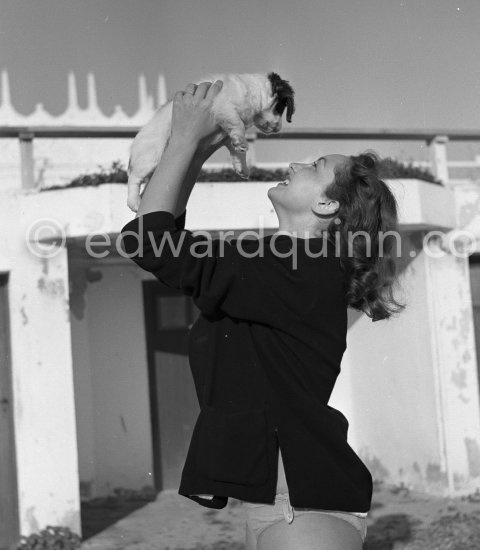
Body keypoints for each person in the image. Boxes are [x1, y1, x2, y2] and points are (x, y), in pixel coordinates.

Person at [120, 80, 405, 550]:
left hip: (301, 510)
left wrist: (186, 139)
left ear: (327, 204)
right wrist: (192, 151)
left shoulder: (298, 270)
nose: (295, 163)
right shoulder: (287, 265)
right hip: (285, 503)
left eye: (314, 167)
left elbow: (148, 243)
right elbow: (158, 238)